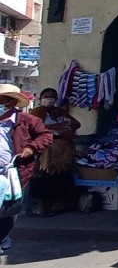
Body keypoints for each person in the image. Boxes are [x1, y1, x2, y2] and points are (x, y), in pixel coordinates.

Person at [0, 83, 53, 252]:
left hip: (14, 172)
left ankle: (2, 237)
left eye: (2, 102)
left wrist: (31, 148)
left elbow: (46, 135)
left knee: (10, 209)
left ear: (11, 103)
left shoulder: (26, 120)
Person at [28, 87, 81, 216]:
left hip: (61, 151)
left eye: (52, 97)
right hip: (45, 151)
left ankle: (57, 204)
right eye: (46, 97)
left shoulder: (59, 111)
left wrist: (67, 124)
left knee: (59, 177)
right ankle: (42, 207)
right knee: (43, 177)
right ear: (41, 99)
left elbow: (77, 124)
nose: (49, 99)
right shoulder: (37, 112)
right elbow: (31, 127)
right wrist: (54, 127)